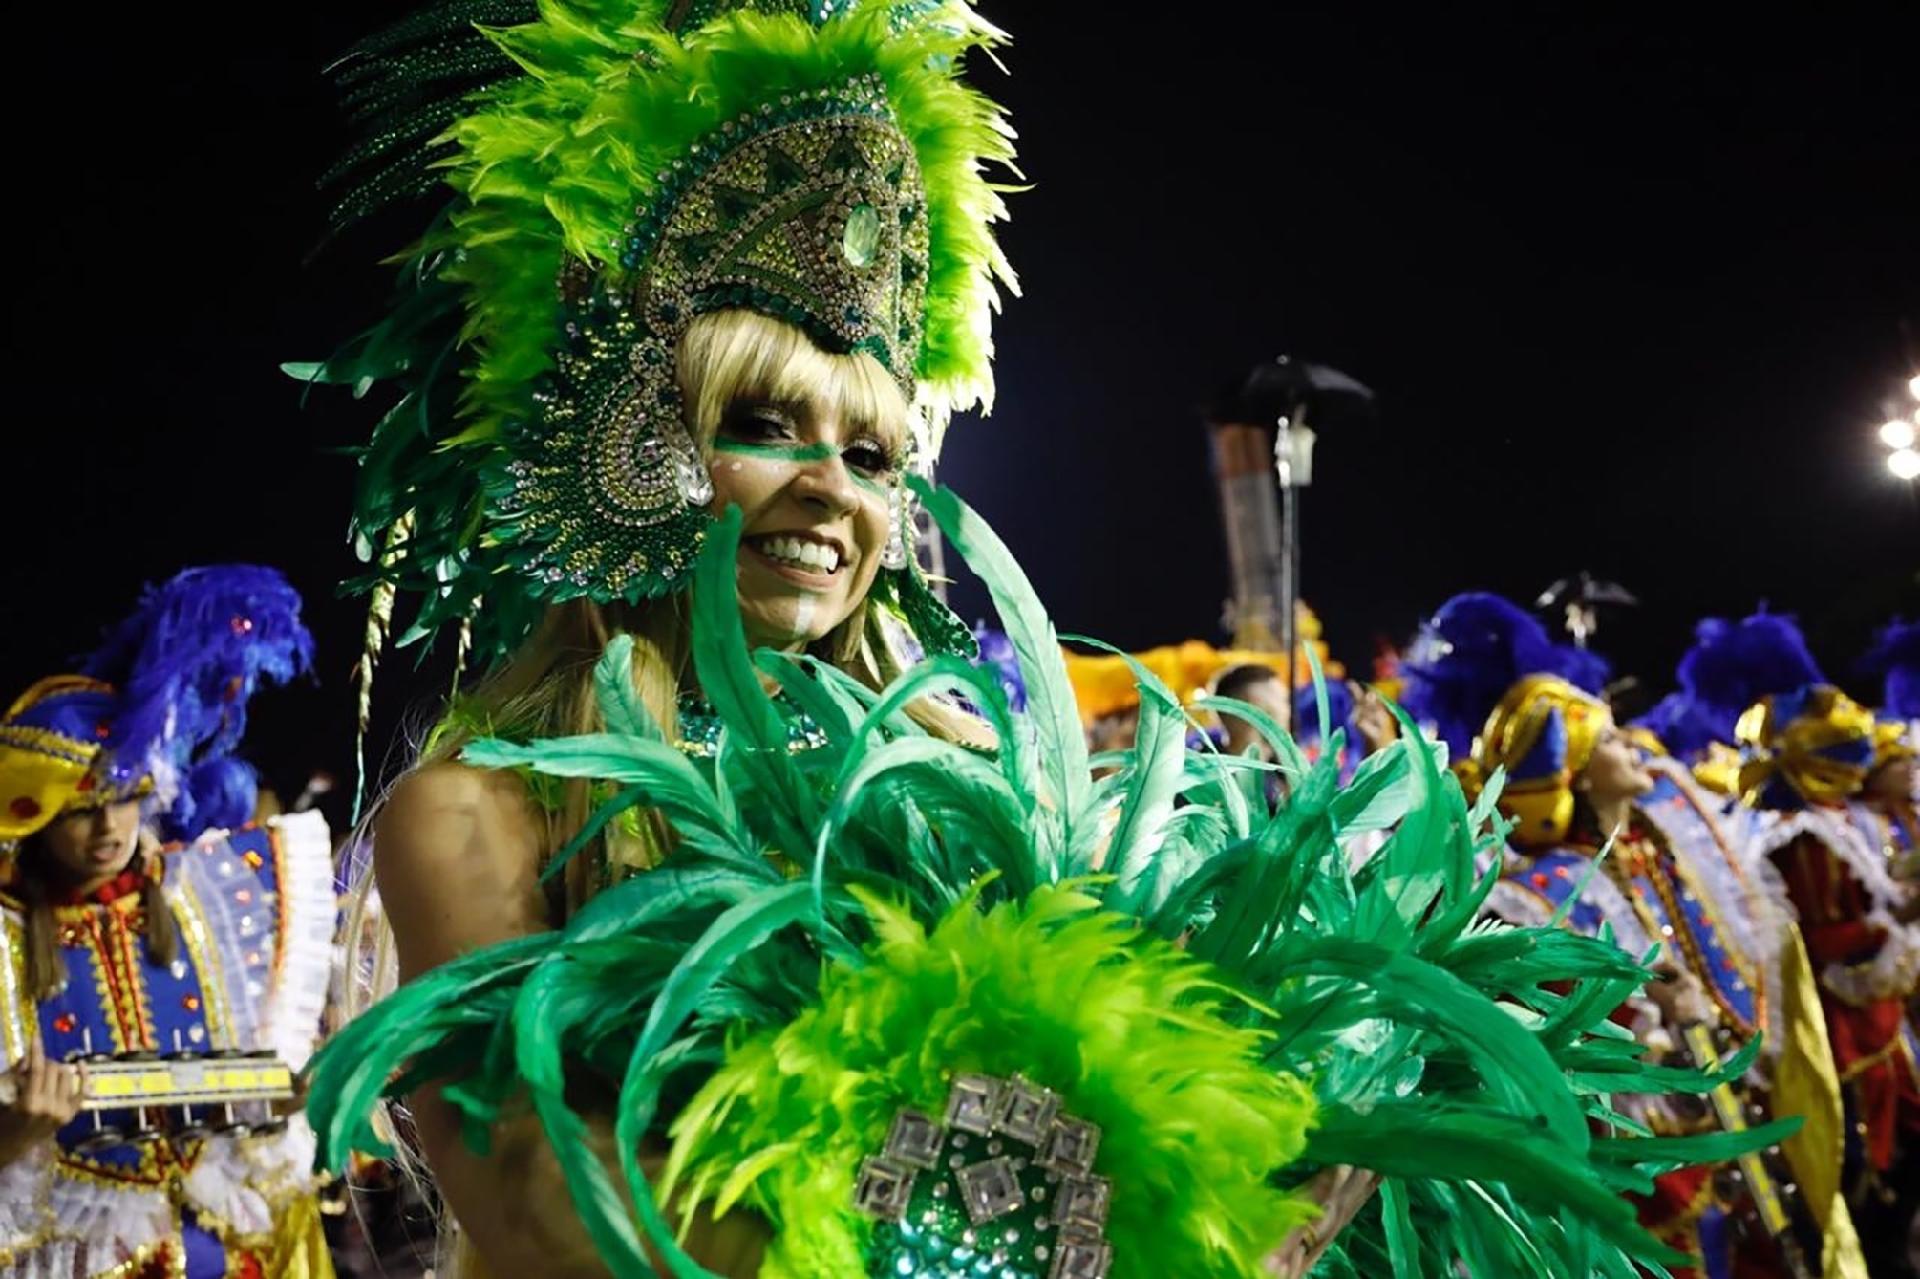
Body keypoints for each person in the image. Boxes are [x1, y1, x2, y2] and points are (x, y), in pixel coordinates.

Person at [299, 4, 1789, 1277]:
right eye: (762, 427)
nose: (832, 486)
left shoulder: (982, 785)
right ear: (628, 456)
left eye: (874, 453)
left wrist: (1268, 1149)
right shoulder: (480, 809)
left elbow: (1137, 1107)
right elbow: (540, 1205)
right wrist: (1035, 1223)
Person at [1405, 593, 1863, 1279]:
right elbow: (1554, 1030)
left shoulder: (1658, 845)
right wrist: (1647, 1023)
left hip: (1721, 1108)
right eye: (1614, 740)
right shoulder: (1543, 893)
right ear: (1580, 766)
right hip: (1644, 1150)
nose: (1637, 744)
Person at [0, 567, 335, 1279]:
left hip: (232, 1250)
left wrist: (304, 1089)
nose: (108, 827)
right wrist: (11, 1136)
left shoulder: (209, 895)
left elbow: (267, 1102)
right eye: (82, 807)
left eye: (126, 798)